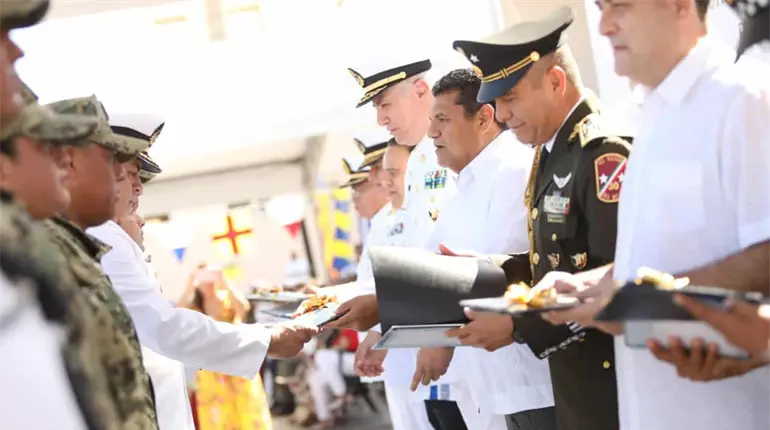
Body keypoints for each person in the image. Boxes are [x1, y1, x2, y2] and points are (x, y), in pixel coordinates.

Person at [541, 0, 770, 429]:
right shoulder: (650, 113)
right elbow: (662, 258)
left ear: (680, 6)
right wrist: (592, 285)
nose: (604, 26)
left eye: (620, 7)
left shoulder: (744, 98)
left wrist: (635, 303)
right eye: (601, 8)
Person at [447, 7, 631, 430]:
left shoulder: (600, 152)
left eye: (509, 98)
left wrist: (517, 326)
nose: (502, 114)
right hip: (575, 384)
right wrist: (483, 270)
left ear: (554, 81)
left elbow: (617, 280)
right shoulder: (548, 155)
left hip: (612, 384)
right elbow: (550, 263)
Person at [86, 115, 320, 428]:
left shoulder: (108, 234)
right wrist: (266, 339)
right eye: (130, 174)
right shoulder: (105, 235)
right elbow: (163, 327)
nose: (139, 188)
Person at [411, 69, 554, 430]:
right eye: (431, 121)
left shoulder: (513, 170)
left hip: (531, 383)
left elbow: (489, 272)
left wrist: (438, 334)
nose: (431, 132)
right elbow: (426, 268)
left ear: (485, 118)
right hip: (489, 388)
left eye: (442, 119)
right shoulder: (462, 190)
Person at [332, 58, 463, 430]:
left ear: (421, 90)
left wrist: (433, 334)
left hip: (460, 343)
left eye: (385, 104)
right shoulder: (422, 158)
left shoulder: (446, 150)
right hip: (434, 346)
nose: (380, 120)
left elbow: (452, 256)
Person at [41, 95, 160, 429]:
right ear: (67, 162)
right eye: (111, 163)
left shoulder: (72, 242)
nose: (123, 180)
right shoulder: (40, 251)